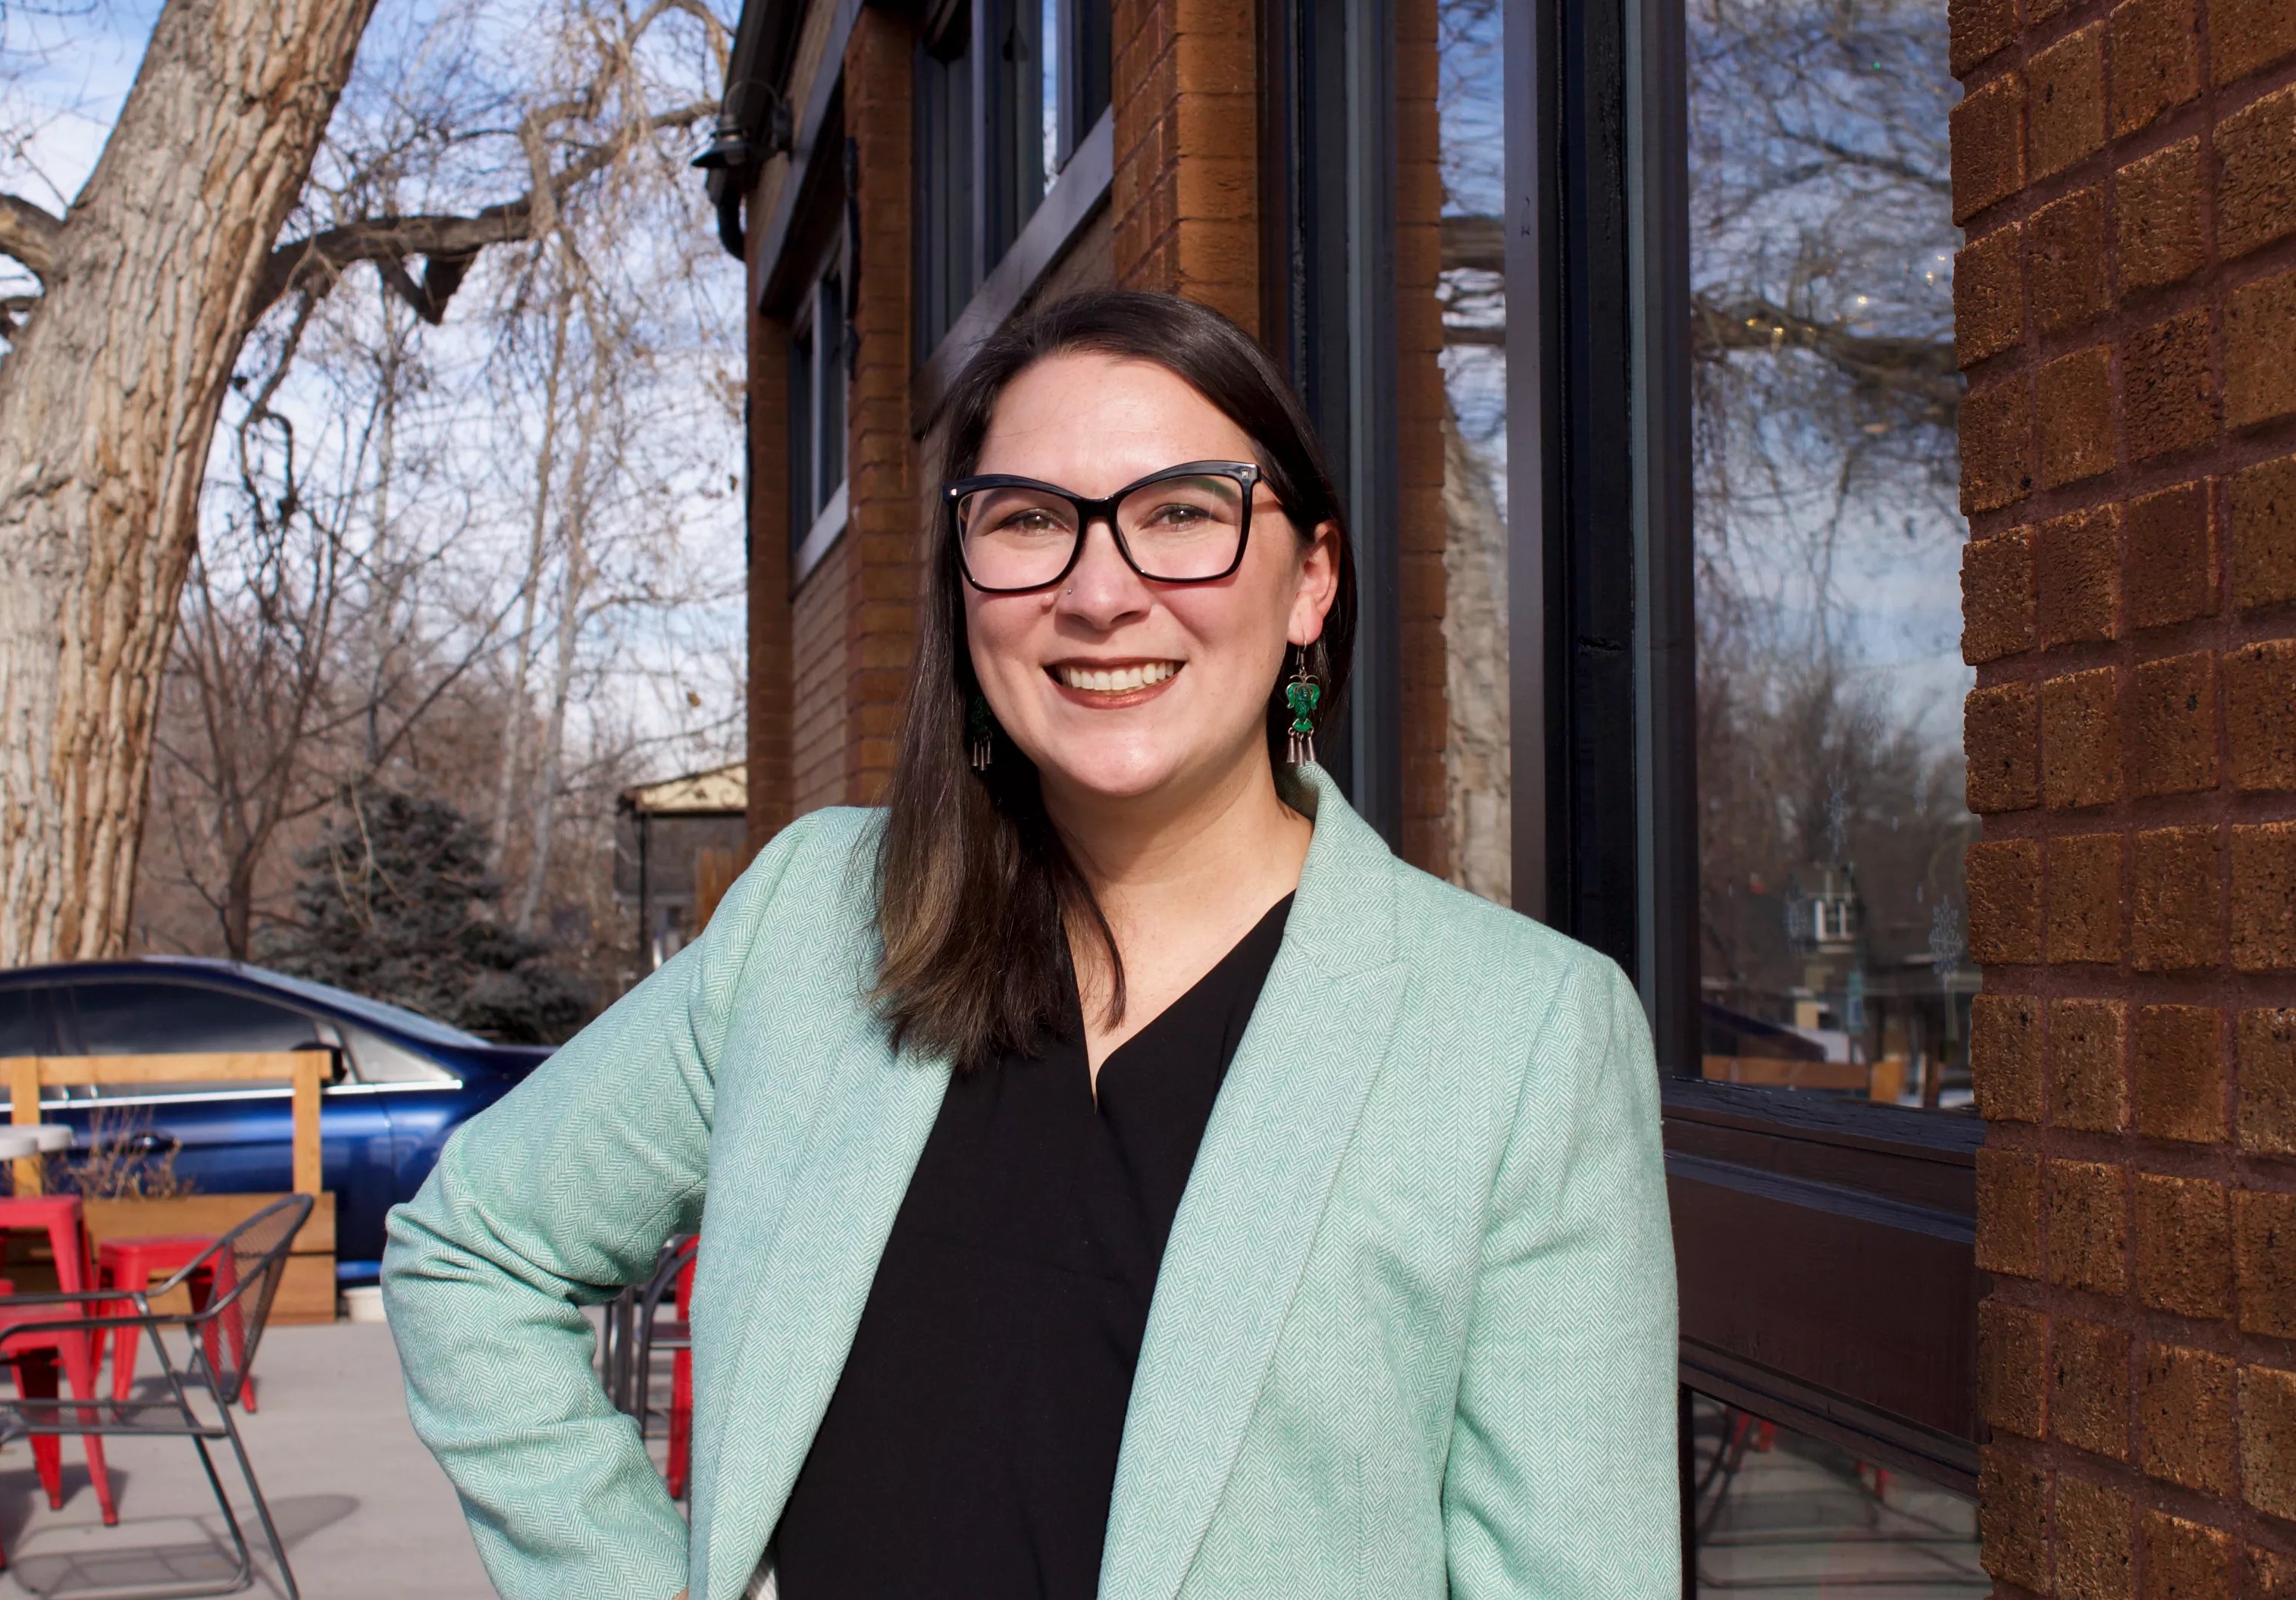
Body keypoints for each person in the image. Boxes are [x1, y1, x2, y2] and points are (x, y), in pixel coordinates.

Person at [383, 290, 1677, 1600]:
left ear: (1312, 581)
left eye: (1182, 512)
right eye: (1029, 522)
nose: (1099, 592)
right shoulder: (815, 920)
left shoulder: (1520, 1036)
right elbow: (473, 1250)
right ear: (967, 585)